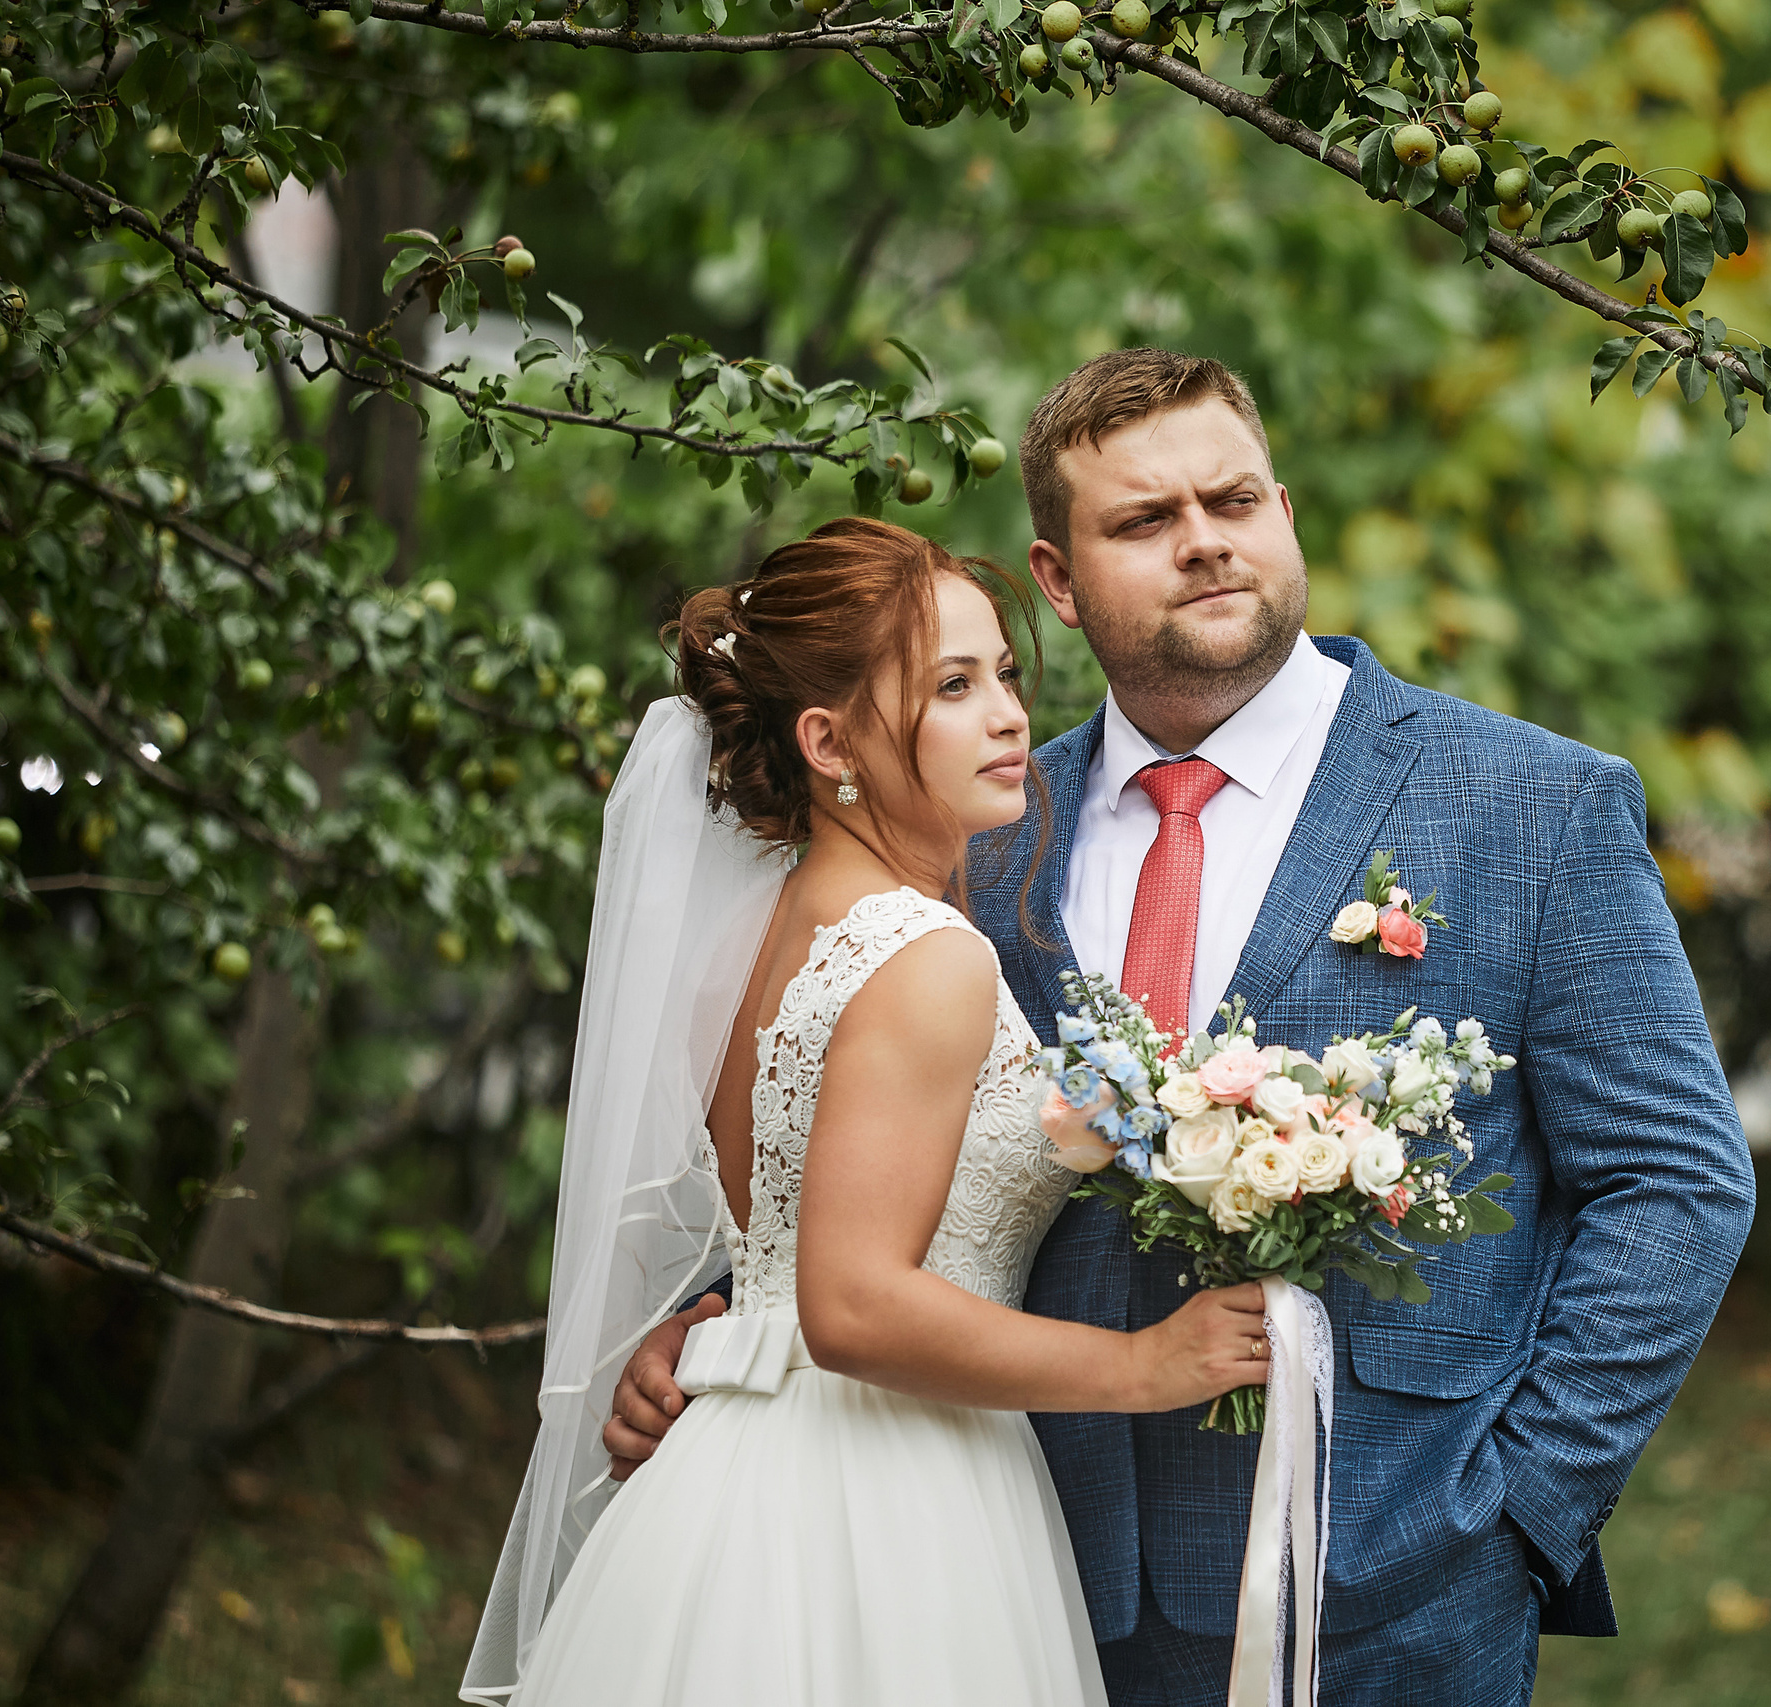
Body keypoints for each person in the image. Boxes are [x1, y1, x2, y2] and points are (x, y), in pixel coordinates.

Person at [606, 351, 1758, 1706]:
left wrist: (1514, 1509)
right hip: (1018, 1569)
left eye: (1235, 498)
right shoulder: (965, 829)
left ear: (1286, 508)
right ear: (1057, 577)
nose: (1205, 540)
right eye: (1144, 521)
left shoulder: (1530, 804)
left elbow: (1676, 1180)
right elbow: (883, 1147)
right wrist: (734, 1317)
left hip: (1393, 1581)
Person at [460, 517, 1271, 1706]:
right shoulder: (924, 953)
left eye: (1002, 672)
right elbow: (846, 1303)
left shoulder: (751, 941)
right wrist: (1145, 1365)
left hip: (731, 1467)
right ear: (828, 741)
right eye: (951, 687)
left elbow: (800, 1223)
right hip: (884, 1490)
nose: (1005, 713)